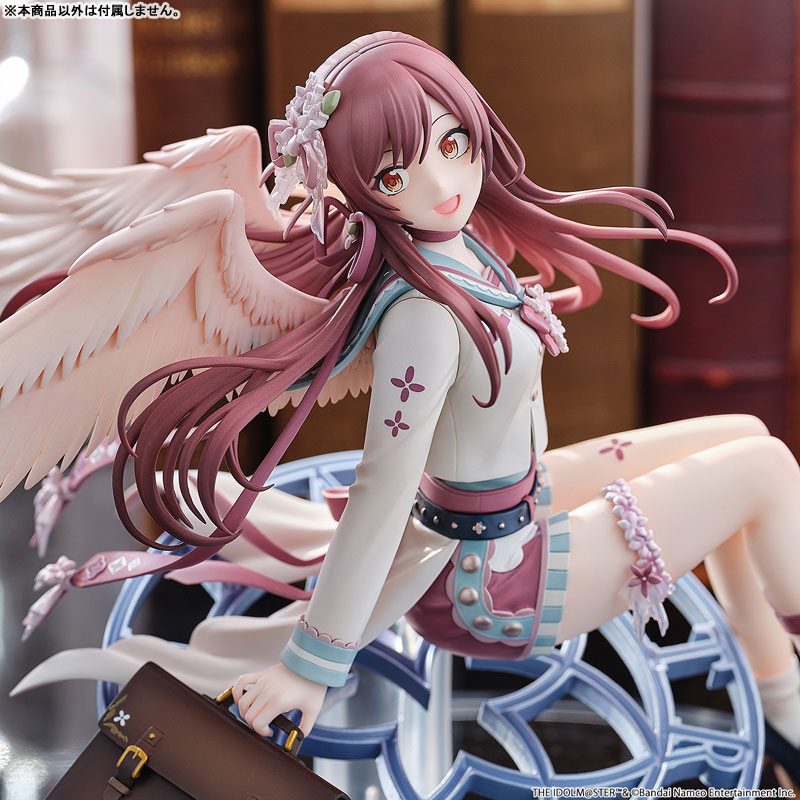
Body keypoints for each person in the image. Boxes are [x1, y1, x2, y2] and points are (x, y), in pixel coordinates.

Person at [7, 33, 800, 771]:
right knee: (763, 469)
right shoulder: (422, 316)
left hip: (517, 506)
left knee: (743, 433)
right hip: (490, 583)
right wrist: (312, 665)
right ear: (360, 189)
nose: (443, 187)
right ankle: (792, 689)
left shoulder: (456, 249)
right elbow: (384, 493)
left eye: (452, 145)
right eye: (394, 177)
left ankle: (782, 703)